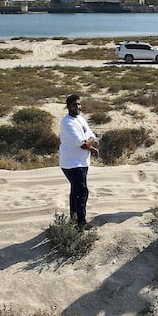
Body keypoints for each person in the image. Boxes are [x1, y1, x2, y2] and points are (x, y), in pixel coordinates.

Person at [59, 94, 98, 231]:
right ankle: (81, 223)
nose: (78, 107)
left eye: (79, 104)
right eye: (75, 104)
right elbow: (81, 143)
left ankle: (73, 218)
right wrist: (88, 144)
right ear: (68, 106)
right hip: (71, 163)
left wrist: (90, 144)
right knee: (82, 191)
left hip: (82, 161)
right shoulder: (67, 122)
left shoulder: (80, 119)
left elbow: (91, 135)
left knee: (75, 190)